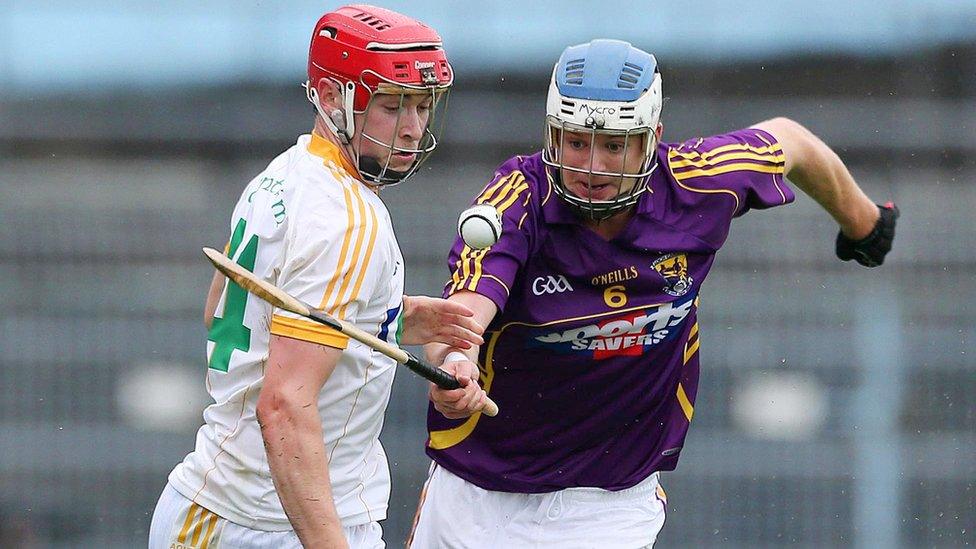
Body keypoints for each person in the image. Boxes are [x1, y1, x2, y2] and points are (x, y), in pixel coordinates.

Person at [409, 39, 898, 548]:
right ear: (551, 136)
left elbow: (791, 142)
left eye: (614, 146)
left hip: (609, 507)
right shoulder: (514, 199)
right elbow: (461, 312)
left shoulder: (701, 181)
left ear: (652, 138)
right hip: (475, 495)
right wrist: (456, 362)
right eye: (576, 142)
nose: (592, 166)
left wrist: (864, 222)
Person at [148, 5, 481, 549]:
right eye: (392, 105)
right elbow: (282, 403)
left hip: (239, 513)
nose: (413, 127)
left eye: (422, 106)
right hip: (262, 525)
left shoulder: (284, 173)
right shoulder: (348, 220)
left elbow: (224, 311)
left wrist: (394, 318)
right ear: (330, 98)